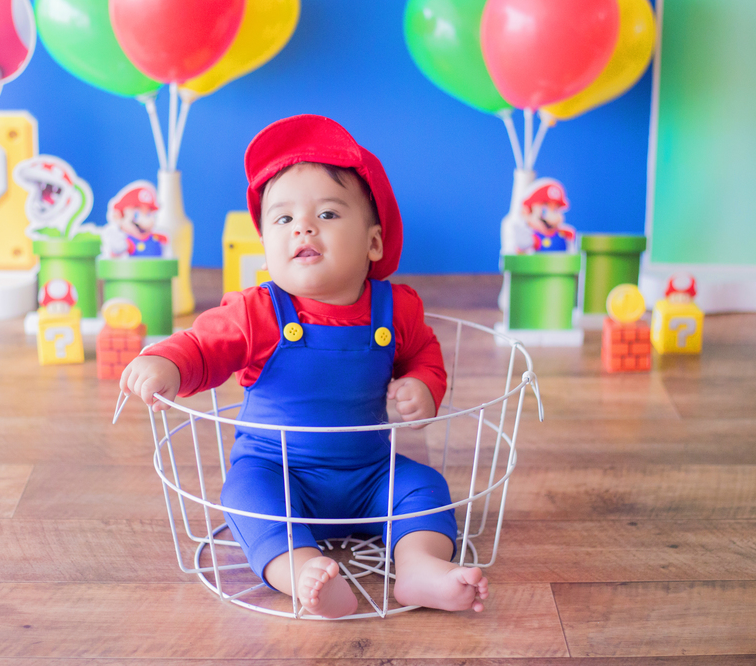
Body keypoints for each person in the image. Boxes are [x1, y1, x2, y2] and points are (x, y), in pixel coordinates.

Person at [120, 115, 488, 618]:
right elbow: (203, 345)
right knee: (245, 496)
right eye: (283, 219)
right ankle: (299, 570)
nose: (303, 227)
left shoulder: (395, 309)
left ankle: (419, 566)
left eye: (328, 214)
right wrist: (167, 363)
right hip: (277, 470)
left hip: (370, 473)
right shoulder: (257, 311)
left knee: (425, 488)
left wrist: (423, 385)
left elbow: (424, 353)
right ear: (266, 246)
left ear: (374, 243)